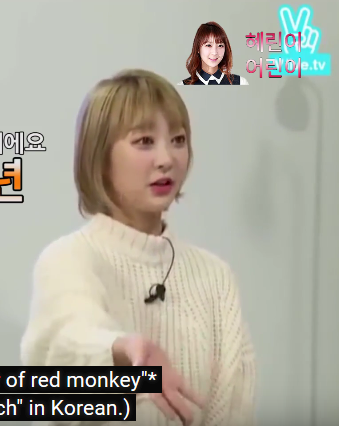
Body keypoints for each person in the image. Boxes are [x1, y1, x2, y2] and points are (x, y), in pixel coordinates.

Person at [20, 69, 256, 426]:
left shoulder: (215, 277)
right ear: (100, 156)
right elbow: (61, 345)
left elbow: (234, 407)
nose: (166, 158)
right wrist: (122, 349)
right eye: (145, 141)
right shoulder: (69, 259)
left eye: (178, 140)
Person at [180, 22, 249, 85]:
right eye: (208, 45)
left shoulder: (240, 82)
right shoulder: (183, 85)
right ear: (198, 48)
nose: (214, 52)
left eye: (220, 46)